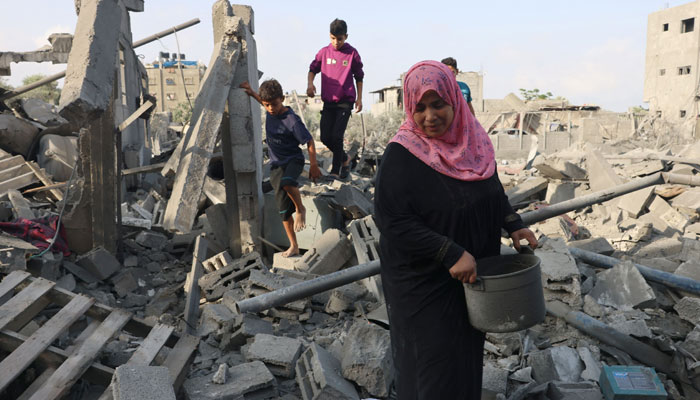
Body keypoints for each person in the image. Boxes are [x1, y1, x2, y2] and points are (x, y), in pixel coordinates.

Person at [374, 61, 537, 399]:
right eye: (419, 107)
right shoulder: (401, 155)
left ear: (455, 103)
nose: (429, 116)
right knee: (432, 367)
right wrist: (448, 252)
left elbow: (491, 191)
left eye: (438, 105)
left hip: (471, 276)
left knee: (464, 360)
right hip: (423, 283)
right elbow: (392, 221)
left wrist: (514, 225)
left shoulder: (473, 143)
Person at [240, 79, 321, 257]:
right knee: (283, 211)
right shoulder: (269, 109)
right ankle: (294, 246)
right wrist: (251, 91)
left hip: (293, 160)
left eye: (274, 104)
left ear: (282, 99)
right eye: (267, 105)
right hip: (276, 165)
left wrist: (313, 165)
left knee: (288, 182)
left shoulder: (291, 120)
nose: (270, 108)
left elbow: (309, 141)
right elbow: (261, 100)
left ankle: (301, 209)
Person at [307, 18, 364, 179]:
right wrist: (310, 84)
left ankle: (336, 171)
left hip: (345, 102)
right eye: (333, 38)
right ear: (329, 36)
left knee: (337, 137)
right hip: (329, 102)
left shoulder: (352, 53)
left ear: (346, 36)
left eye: (339, 39)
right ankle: (345, 158)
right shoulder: (324, 52)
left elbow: (359, 77)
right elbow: (312, 69)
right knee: (326, 137)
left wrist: (359, 99)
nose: (336, 42)